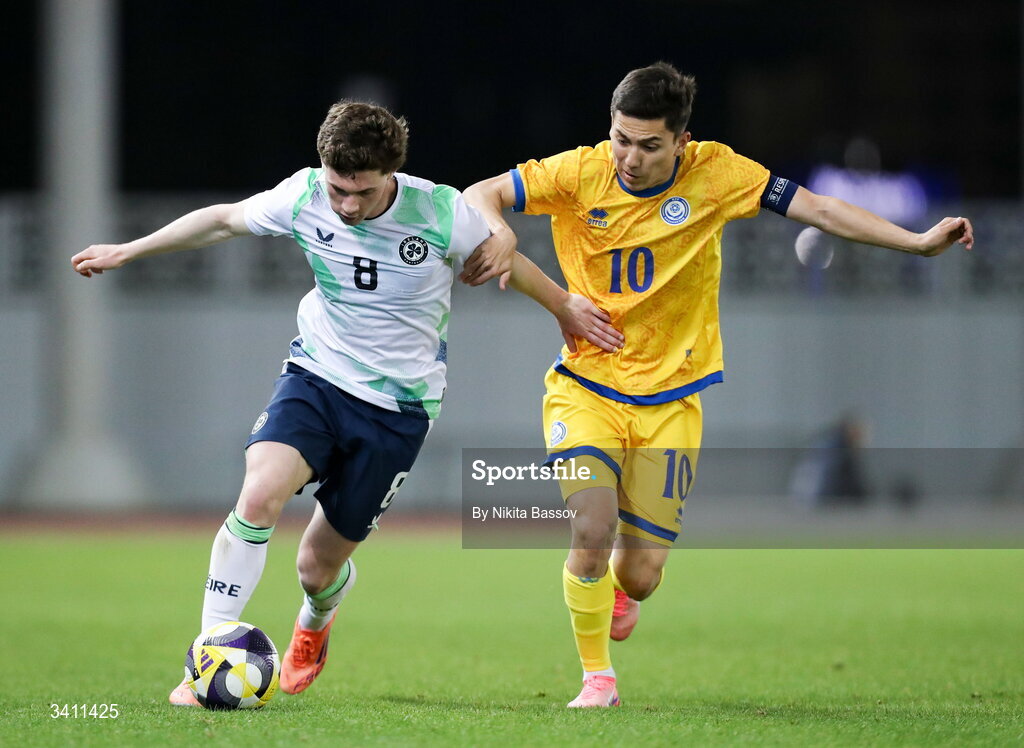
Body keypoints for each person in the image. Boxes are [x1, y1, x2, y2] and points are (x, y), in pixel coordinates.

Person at [71, 100, 620, 706]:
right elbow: (224, 220)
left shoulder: (439, 212)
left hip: (398, 408)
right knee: (258, 495)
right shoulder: (304, 195)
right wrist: (130, 250)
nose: (347, 206)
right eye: (338, 189)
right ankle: (206, 658)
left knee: (316, 565)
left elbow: (505, 261)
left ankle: (315, 616)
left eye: (361, 193)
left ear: (391, 174)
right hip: (316, 376)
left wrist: (564, 305)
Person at [461, 61, 974, 708]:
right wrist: (504, 232)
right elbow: (479, 194)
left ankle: (620, 593)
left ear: (681, 140)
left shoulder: (718, 173)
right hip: (585, 383)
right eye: (621, 138)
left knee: (641, 577)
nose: (630, 157)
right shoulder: (579, 170)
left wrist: (918, 243)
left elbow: (816, 207)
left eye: (649, 145)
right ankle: (597, 679)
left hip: (673, 396)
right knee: (590, 531)